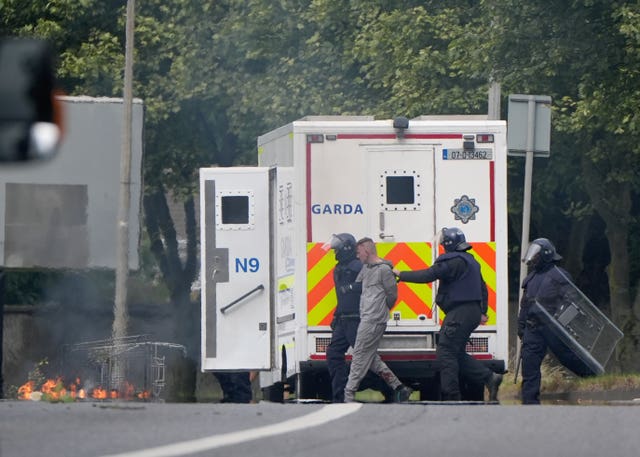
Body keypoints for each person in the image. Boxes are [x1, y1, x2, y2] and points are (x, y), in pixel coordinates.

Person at [393, 227, 503, 402]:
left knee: (445, 351)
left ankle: (452, 397)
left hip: (460, 313)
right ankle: (489, 377)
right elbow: (483, 288)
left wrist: (401, 275)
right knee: (455, 351)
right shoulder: (471, 261)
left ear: (448, 245)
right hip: (471, 311)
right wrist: (482, 312)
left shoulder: (453, 262)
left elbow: (429, 275)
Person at [324, 233, 395, 403]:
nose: (335, 253)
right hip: (344, 319)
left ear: (346, 249)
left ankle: (392, 387)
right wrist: (337, 315)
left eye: (337, 249)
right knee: (334, 354)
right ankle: (340, 397)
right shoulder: (342, 267)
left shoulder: (358, 267)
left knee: (366, 358)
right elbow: (342, 298)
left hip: (357, 319)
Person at [343, 237, 413, 403]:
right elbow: (358, 285)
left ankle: (348, 394)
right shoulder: (366, 268)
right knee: (369, 355)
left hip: (374, 319)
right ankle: (399, 387)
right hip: (366, 316)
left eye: (359, 252)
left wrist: (380, 309)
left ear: (367, 251)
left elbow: (392, 295)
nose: (357, 256)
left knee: (359, 354)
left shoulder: (383, 270)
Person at [518, 237, 575, 405]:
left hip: (552, 328)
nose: (533, 258)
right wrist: (521, 327)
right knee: (529, 368)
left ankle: (595, 379)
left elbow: (573, 303)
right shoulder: (531, 278)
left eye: (536, 255)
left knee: (569, 358)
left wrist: (560, 323)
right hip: (533, 330)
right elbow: (524, 305)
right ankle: (530, 406)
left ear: (545, 255)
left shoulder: (560, 276)